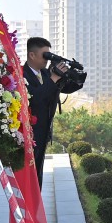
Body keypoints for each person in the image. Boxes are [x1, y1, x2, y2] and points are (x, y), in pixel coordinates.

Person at [24, 37, 80, 187]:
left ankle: (37, 206)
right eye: (45, 55)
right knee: (31, 173)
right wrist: (54, 77)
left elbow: (63, 88)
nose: (47, 59)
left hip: (44, 129)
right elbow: (36, 99)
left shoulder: (45, 73)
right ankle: (29, 205)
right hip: (29, 132)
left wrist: (74, 76)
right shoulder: (23, 75)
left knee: (39, 172)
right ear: (32, 55)